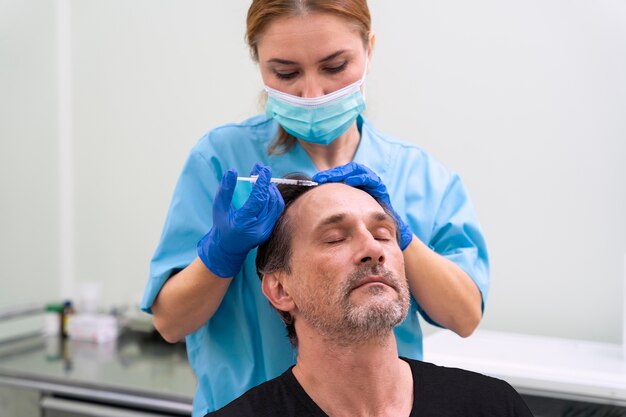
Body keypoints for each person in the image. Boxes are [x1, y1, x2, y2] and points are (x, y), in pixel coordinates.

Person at [141, 1, 490, 415]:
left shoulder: (419, 175)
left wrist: (396, 231)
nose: (312, 94)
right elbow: (170, 323)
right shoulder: (221, 160)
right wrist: (223, 251)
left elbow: (464, 317)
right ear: (259, 64)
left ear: (369, 50)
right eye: (285, 73)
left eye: (335, 66)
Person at [207, 181, 531, 417]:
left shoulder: (491, 406)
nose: (374, 250)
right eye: (335, 238)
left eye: (383, 235)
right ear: (280, 290)